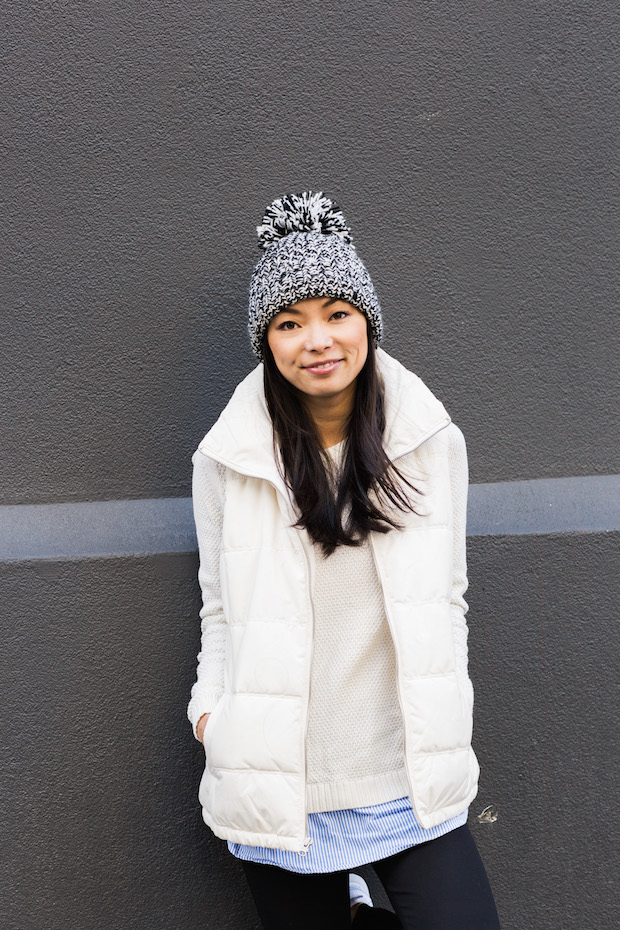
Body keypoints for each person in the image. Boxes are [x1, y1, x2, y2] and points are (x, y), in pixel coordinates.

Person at [188, 191, 501, 929]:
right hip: (280, 785)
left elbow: (448, 596)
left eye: (336, 314)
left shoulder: (430, 441)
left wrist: (449, 709)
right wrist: (210, 714)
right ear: (267, 341)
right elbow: (219, 609)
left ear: (367, 321)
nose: (317, 340)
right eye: (289, 323)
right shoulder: (227, 459)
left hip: (405, 774)